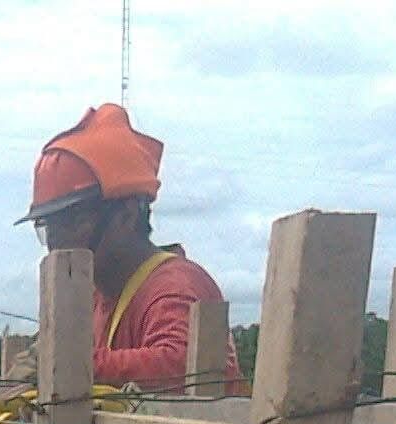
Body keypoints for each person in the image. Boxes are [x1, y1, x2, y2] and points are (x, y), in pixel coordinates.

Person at [19, 103, 245, 393]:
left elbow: (182, 365)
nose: (55, 242)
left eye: (73, 220)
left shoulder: (174, 286)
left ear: (126, 215)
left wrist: (69, 365)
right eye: (47, 226)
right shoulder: (94, 298)